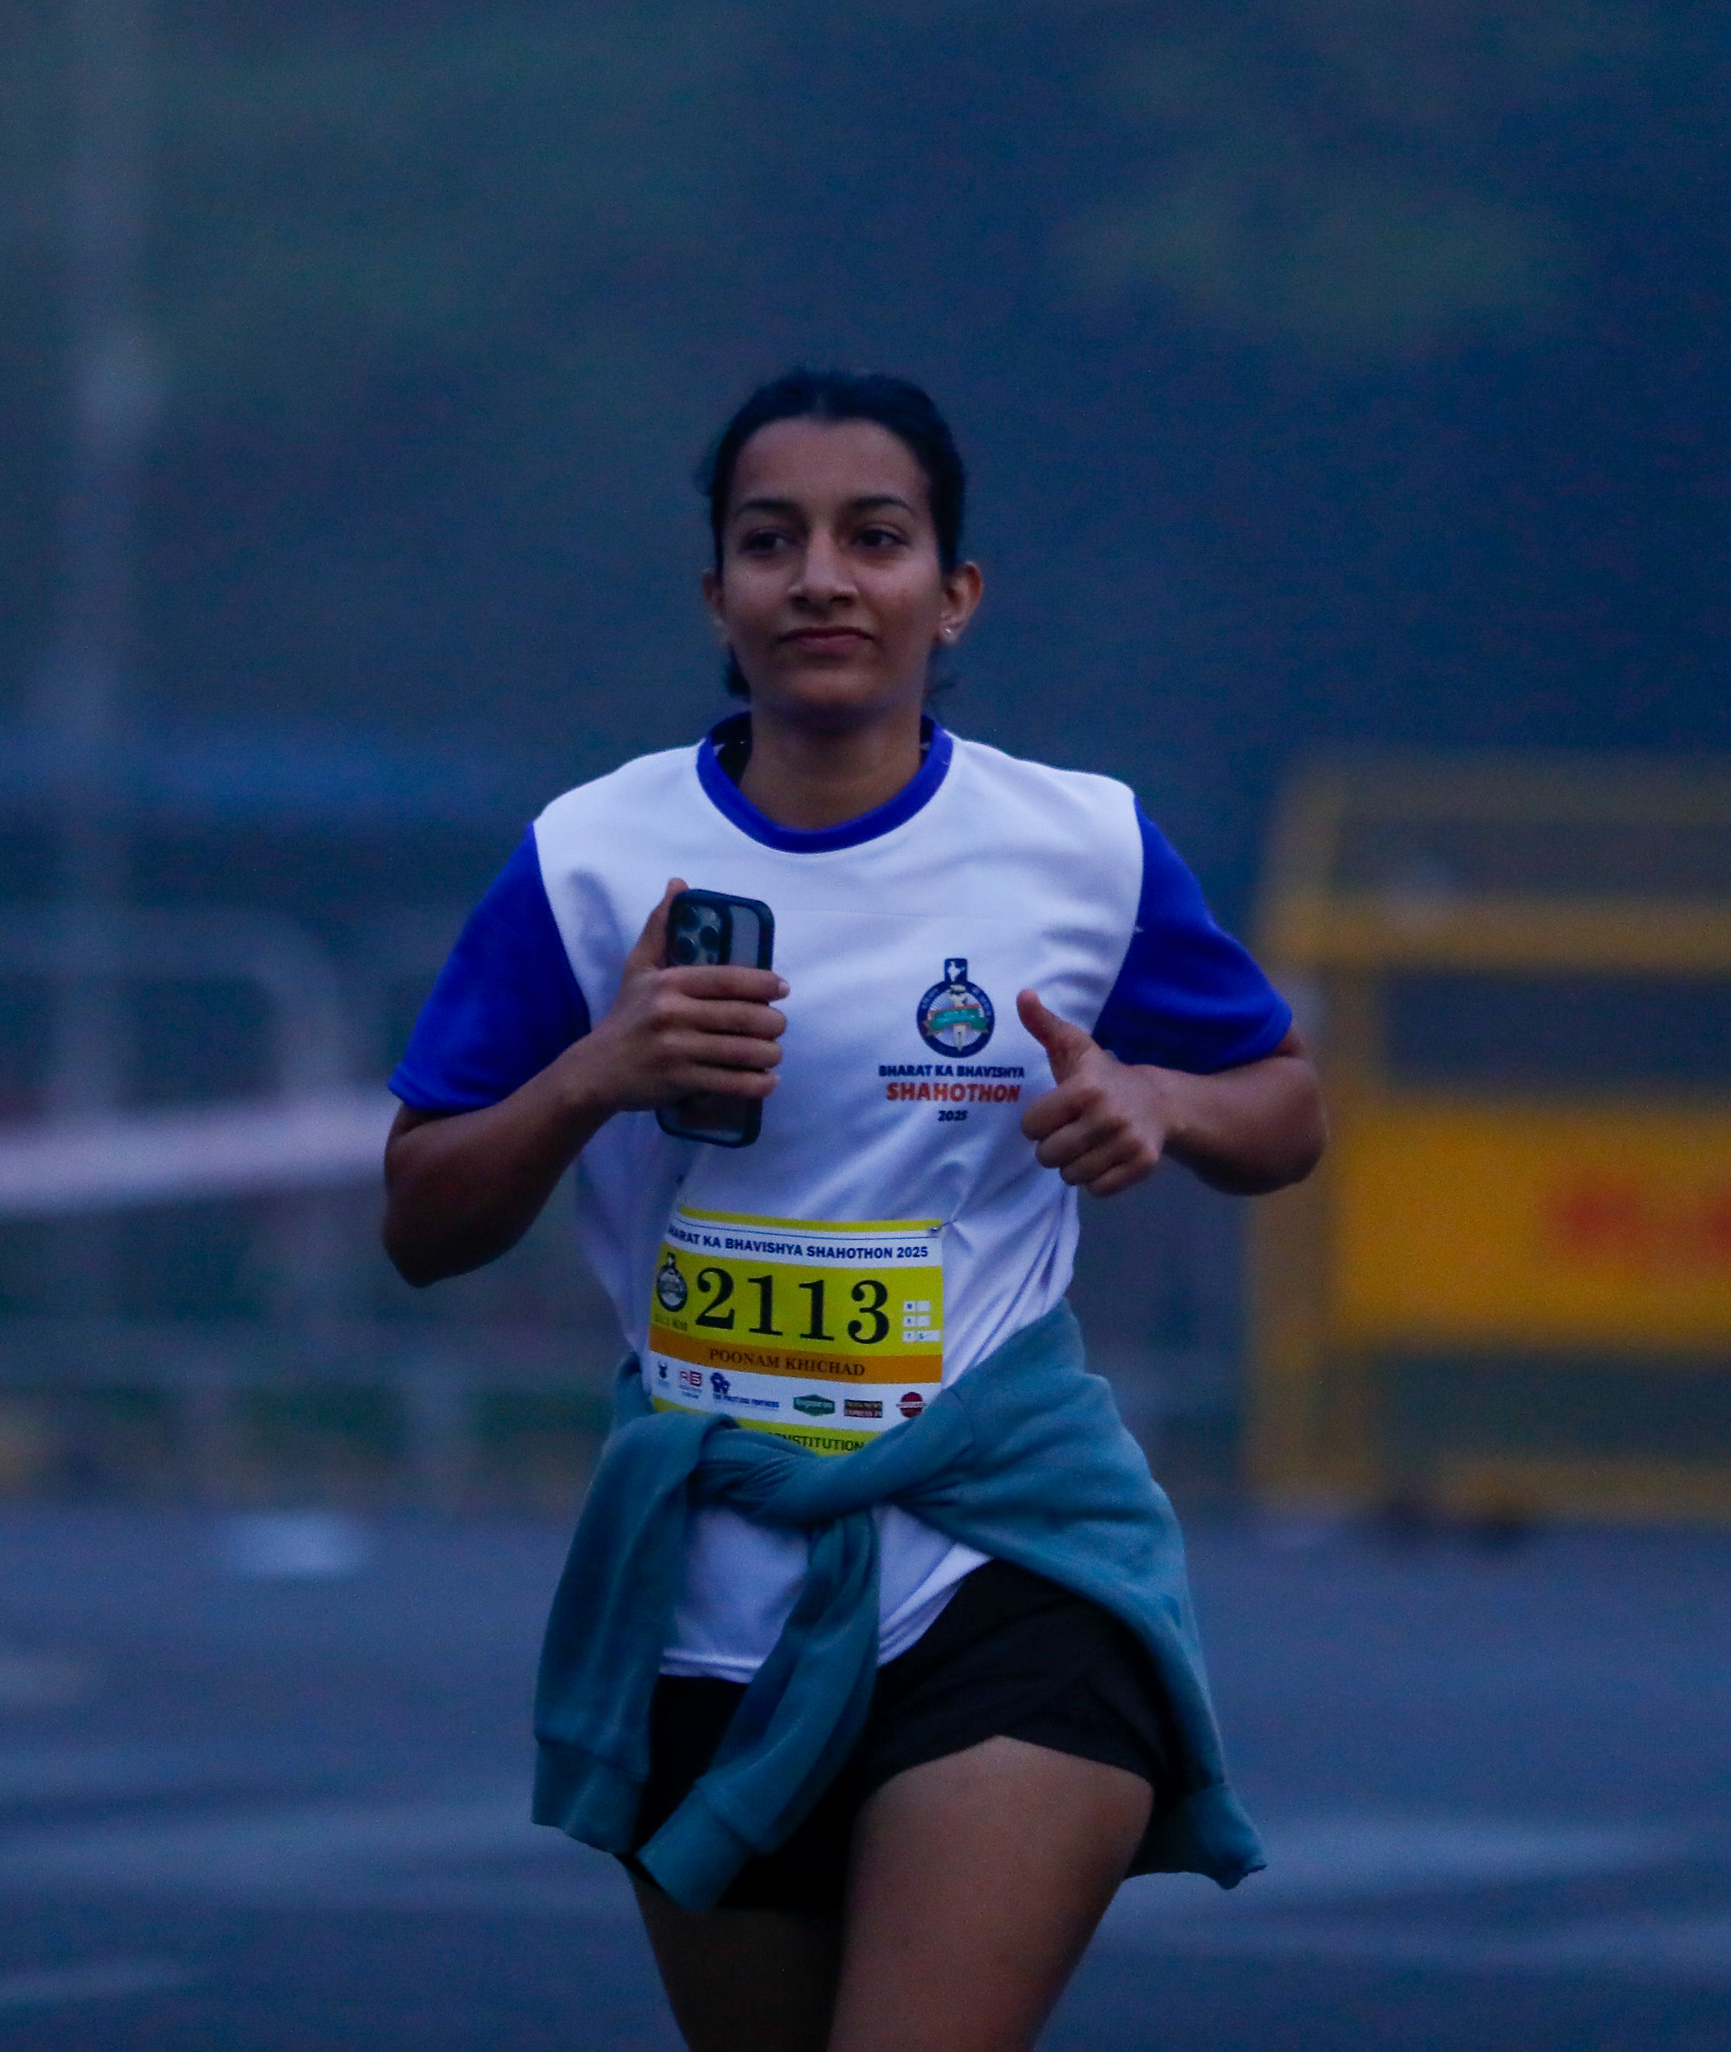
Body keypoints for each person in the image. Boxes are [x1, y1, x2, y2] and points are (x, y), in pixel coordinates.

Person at [383, 369, 1325, 2052]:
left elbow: (1287, 1112)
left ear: (951, 592)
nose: (821, 576)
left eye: (873, 537)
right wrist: (592, 1075)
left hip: (1008, 1557)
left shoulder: (1079, 847)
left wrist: (1160, 1100)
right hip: (706, 1587)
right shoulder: (590, 860)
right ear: (718, 597)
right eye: (772, 540)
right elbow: (422, 1216)